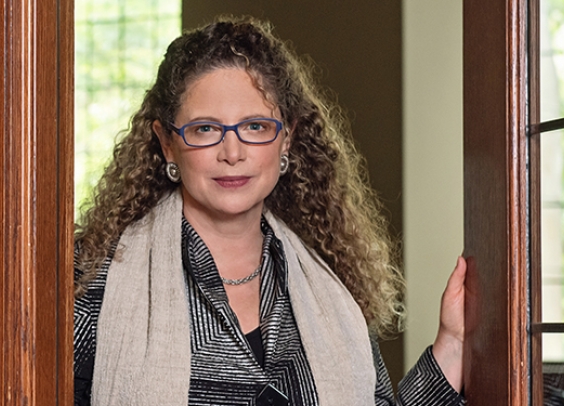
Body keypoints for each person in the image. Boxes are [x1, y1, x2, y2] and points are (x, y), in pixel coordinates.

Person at [73, 16, 467, 406]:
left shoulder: (330, 290)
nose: (232, 153)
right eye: (205, 129)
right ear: (167, 143)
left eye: (256, 126)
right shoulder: (91, 284)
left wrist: (451, 345)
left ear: (286, 139)